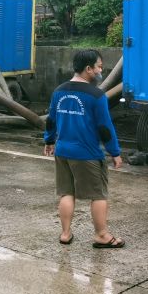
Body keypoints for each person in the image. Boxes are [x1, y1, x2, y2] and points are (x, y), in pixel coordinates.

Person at [43, 49, 124, 248]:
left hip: (62, 151)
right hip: (87, 154)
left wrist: (49, 141)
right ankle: (102, 235)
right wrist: (115, 152)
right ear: (88, 69)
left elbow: (51, 120)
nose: (100, 70)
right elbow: (105, 127)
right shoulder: (96, 96)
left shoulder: (59, 90)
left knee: (66, 193)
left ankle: (65, 234)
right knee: (98, 195)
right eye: (98, 67)